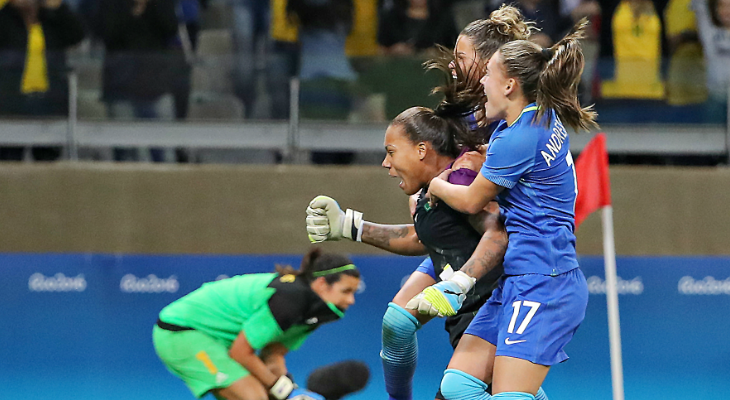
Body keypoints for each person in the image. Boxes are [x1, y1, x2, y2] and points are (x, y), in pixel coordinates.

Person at [306, 8, 545, 400]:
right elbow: (428, 231)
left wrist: (462, 273)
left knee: (482, 388)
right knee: (399, 324)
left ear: (490, 65)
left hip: (498, 260)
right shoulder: (464, 113)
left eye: (462, 57)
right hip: (461, 240)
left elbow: (495, 224)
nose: (452, 65)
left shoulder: (506, 123)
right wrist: (422, 192)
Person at [408, 20, 596, 400]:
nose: (481, 84)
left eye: (488, 75)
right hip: (519, 276)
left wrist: (434, 183)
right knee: (458, 386)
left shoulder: (517, 137)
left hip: (546, 281)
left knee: (508, 397)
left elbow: (471, 201)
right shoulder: (535, 116)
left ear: (510, 85)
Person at [152, 248, 360, 400]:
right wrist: (284, 390)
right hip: (181, 333)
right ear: (322, 284)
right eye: (346, 291)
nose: (351, 300)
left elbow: (273, 354)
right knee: (254, 398)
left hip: (217, 342)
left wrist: (288, 387)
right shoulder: (289, 300)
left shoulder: (319, 311)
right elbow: (241, 353)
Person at [0, 0, 85, 161]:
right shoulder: (5, 19)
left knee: (47, 157)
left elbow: (77, 35)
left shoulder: (52, 18)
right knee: (9, 157)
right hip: (12, 100)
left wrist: (59, 9)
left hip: (49, 100)